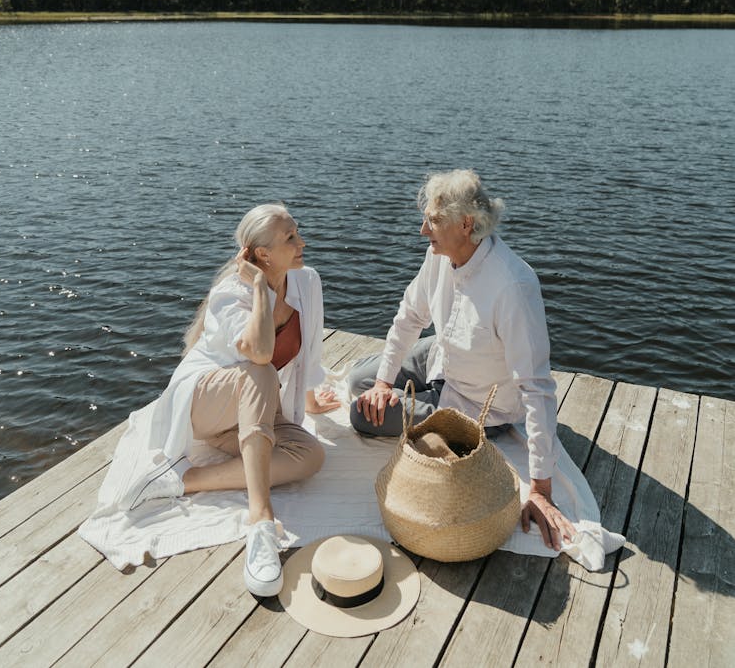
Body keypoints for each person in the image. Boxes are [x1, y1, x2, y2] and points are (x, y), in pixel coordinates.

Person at [117, 203, 339, 597]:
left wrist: (310, 398)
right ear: (263, 254)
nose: (302, 242)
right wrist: (259, 290)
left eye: (297, 232)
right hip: (203, 404)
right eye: (290, 237)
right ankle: (261, 522)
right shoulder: (230, 294)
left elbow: (310, 352)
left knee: (311, 456)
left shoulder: (306, 281)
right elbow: (260, 354)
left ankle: (184, 480)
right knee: (261, 370)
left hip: (250, 412)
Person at [349, 169, 574, 551]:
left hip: (474, 401)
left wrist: (540, 486)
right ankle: (399, 395)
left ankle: (450, 429)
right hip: (439, 357)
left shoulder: (513, 285)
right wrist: (385, 383)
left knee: (360, 414)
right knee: (361, 381)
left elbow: (536, 387)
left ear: (466, 224)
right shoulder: (439, 253)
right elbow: (409, 317)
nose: (424, 230)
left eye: (434, 221)